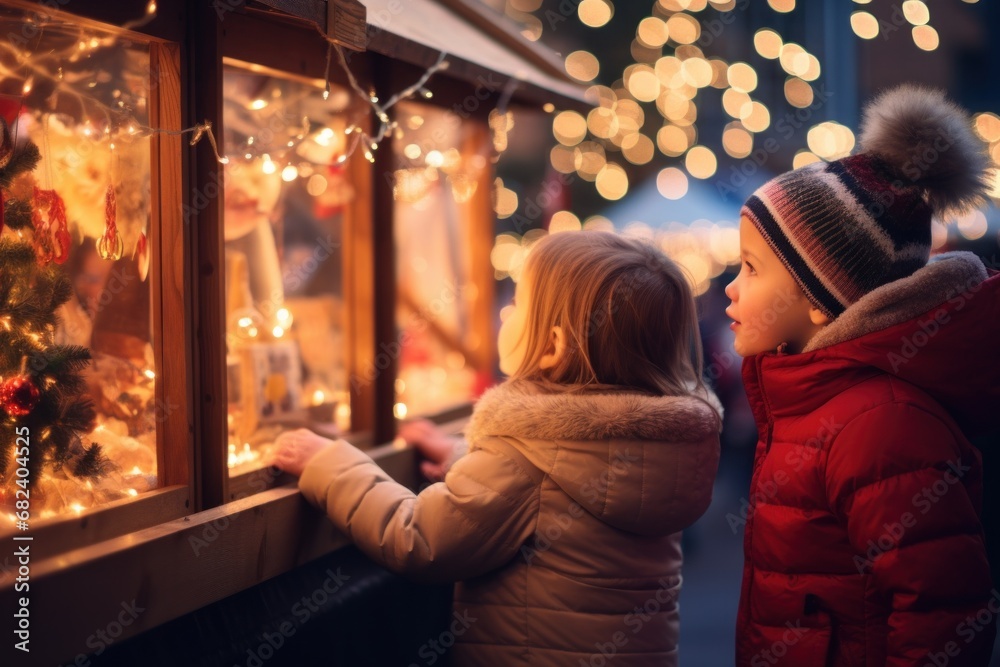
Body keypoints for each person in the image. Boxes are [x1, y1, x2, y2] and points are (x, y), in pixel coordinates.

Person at [272, 231, 722, 666]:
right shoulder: (649, 449)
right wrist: (456, 454)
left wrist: (329, 464)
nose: (504, 315)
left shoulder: (525, 458)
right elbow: (547, 488)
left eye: (516, 306)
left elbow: (418, 539)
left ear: (554, 347)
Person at [725, 84, 999, 665]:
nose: (730, 286)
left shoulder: (881, 425)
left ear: (823, 299)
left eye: (750, 269)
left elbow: (941, 614)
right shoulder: (812, 399)